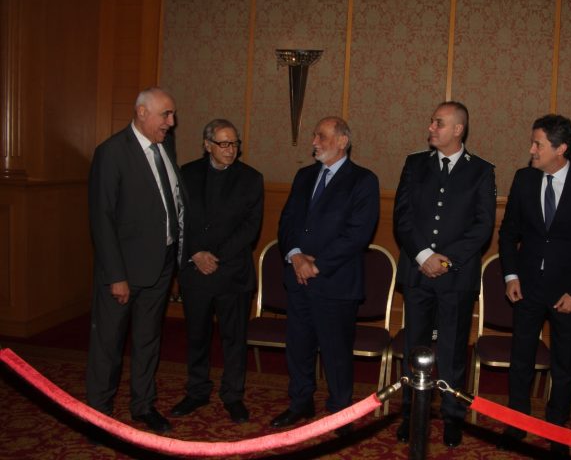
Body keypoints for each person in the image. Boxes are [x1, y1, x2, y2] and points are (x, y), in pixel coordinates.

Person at [497, 114, 571, 457]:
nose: (531, 150)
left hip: (568, 294)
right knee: (521, 360)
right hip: (527, 288)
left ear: (561, 149)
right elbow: (508, 234)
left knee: (563, 365)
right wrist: (511, 276)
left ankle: (557, 426)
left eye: (538, 144)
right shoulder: (524, 179)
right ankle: (516, 423)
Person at [393, 101, 496, 448]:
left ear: (458, 129)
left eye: (438, 123)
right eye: (432, 121)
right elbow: (402, 216)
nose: (431, 128)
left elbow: (482, 226)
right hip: (417, 271)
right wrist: (423, 255)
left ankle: (453, 416)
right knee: (415, 347)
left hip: (456, 277)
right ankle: (410, 413)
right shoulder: (414, 164)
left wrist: (446, 261)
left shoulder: (481, 171)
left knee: (452, 351)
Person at [270, 117, 379, 435]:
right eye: (314, 136)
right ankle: (300, 402)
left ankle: (340, 412)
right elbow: (287, 222)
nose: (314, 142)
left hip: (336, 282)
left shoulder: (363, 180)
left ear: (343, 141)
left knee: (336, 352)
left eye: (321, 136)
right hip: (298, 279)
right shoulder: (304, 176)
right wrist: (295, 256)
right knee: (298, 346)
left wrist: (316, 265)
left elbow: (357, 234)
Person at [86, 87, 185, 433]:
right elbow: (102, 219)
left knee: (147, 341)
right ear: (142, 112)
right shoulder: (112, 152)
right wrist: (116, 276)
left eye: (172, 115)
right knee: (108, 346)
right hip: (123, 272)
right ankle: (98, 417)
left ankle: (143, 405)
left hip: (160, 267)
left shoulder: (165, 147)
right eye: (166, 114)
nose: (171, 122)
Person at [170, 119, 264, 424]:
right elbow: (177, 219)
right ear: (207, 145)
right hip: (195, 271)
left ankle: (233, 395)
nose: (230, 149)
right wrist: (195, 253)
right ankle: (197, 391)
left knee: (233, 339)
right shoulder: (187, 173)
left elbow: (250, 228)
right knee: (197, 336)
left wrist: (216, 256)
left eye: (234, 143)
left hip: (232, 272)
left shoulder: (251, 178)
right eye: (223, 143)